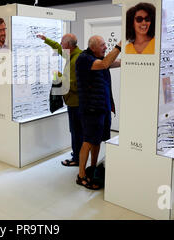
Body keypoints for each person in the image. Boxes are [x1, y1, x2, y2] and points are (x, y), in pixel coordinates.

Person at [75, 36, 121, 190]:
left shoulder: (99, 58)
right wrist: (119, 46)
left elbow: (115, 62)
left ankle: (92, 168)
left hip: (103, 107)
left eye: (105, 45)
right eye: (102, 45)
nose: (105, 48)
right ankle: (81, 175)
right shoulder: (84, 59)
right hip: (91, 109)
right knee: (88, 141)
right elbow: (105, 63)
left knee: (97, 140)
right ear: (93, 47)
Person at [37, 33, 83, 167]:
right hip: (74, 102)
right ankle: (78, 152)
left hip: (75, 102)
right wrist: (47, 40)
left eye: (63, 43)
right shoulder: (74, 54)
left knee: (76, 131)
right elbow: (58, 48)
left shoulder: (76, 60)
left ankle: (77, 158)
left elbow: (74, 85)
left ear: (68, 45)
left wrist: (59, 76)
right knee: (76, 130)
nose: (61, 45)